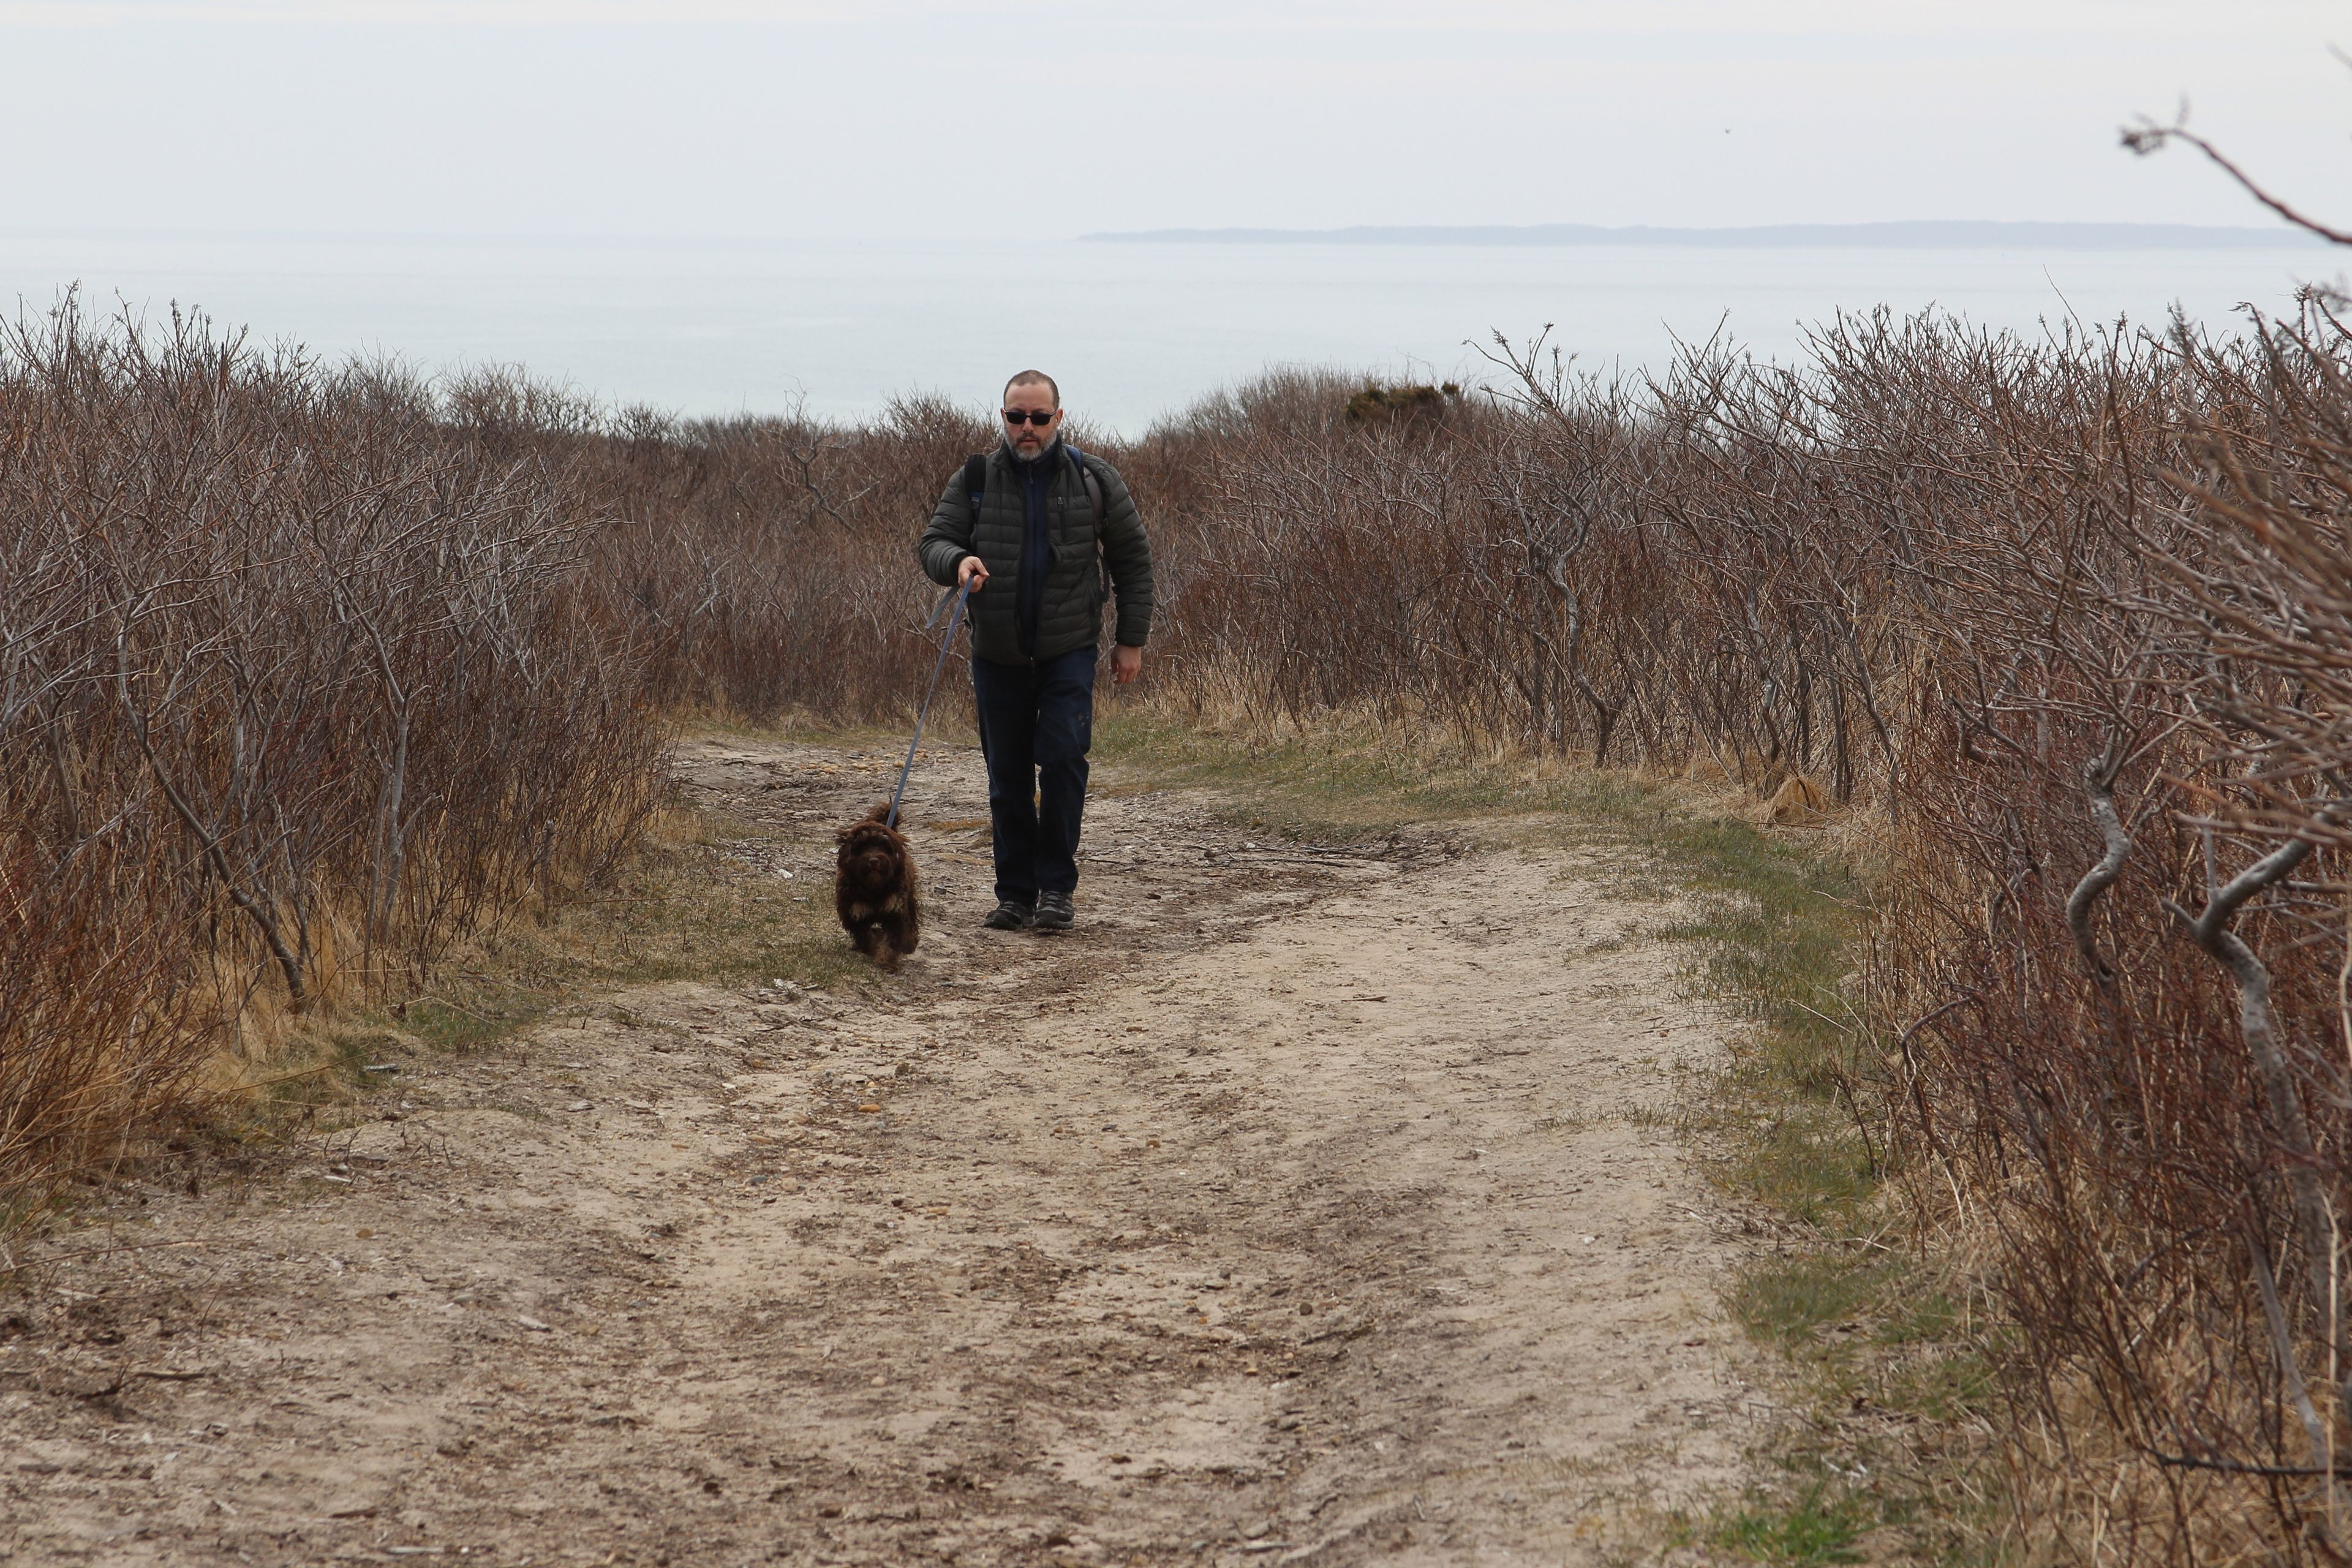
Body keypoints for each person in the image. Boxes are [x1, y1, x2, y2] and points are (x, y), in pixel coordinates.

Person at [917, 370, 1155, 932]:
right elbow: (934, 543)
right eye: (1016, 417)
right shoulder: (975, 477)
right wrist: (958, 563)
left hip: (1068, 648)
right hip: (997, 653)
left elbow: (1133, 561)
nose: (1027, 428)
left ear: (1059, 418)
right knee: (1007, 775)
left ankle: (1056, 890)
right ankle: (1015, 894)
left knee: (1065, 760)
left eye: (1039, 418)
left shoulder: (1093, 478)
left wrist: (1130, 641)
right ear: (1002, 417)